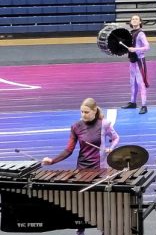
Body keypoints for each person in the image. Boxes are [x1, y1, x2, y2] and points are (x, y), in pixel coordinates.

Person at [42, 98, 120, 235]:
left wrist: (111, 148)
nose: (83, 115)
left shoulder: (104, 124)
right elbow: (69, 150)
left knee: (101, 200)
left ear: (94, 111)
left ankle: (104, 228)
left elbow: (116, 138)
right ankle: (80, 229)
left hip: (100, 167)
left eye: (86, 112)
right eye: (82, 112)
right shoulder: (76, 127)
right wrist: (52, 161)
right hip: (83, 167)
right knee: (83, 200)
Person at [121, 15, 150, 114]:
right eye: (132, 19)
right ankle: (133, 102)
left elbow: (147, 47)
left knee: (140, 83)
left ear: (140, 22)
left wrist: (136, 49)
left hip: (139, 61)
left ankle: (144, 106)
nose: (134, 20)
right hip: (132, 61)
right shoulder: (130, 33)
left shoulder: (141, 33)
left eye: (136, 19)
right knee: (132, 82)